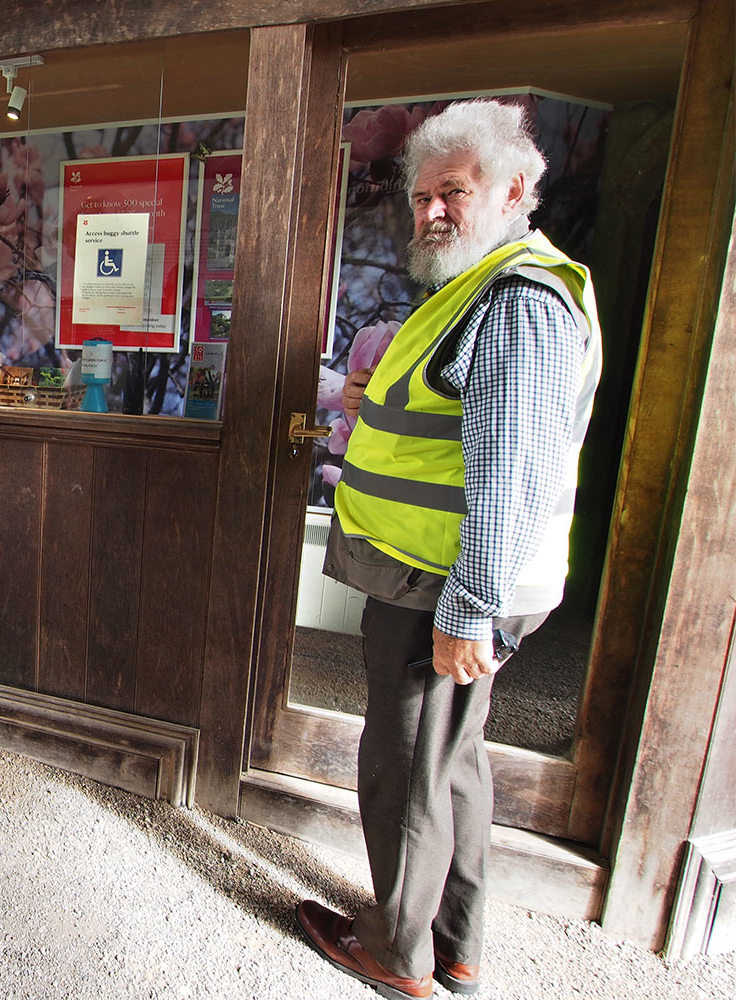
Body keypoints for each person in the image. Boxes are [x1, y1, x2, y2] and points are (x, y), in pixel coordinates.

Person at [297, 100, 601, 998]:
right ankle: (455, 942)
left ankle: (397, 952)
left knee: (407, 768)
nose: (433, 210)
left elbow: (514, 470)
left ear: (513, 190)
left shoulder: (517, 300)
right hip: (436, 576)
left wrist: (470, 608)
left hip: (443, 585)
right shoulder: (481, 287)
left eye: (454, 192)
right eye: (423, 194)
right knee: (451, 759)